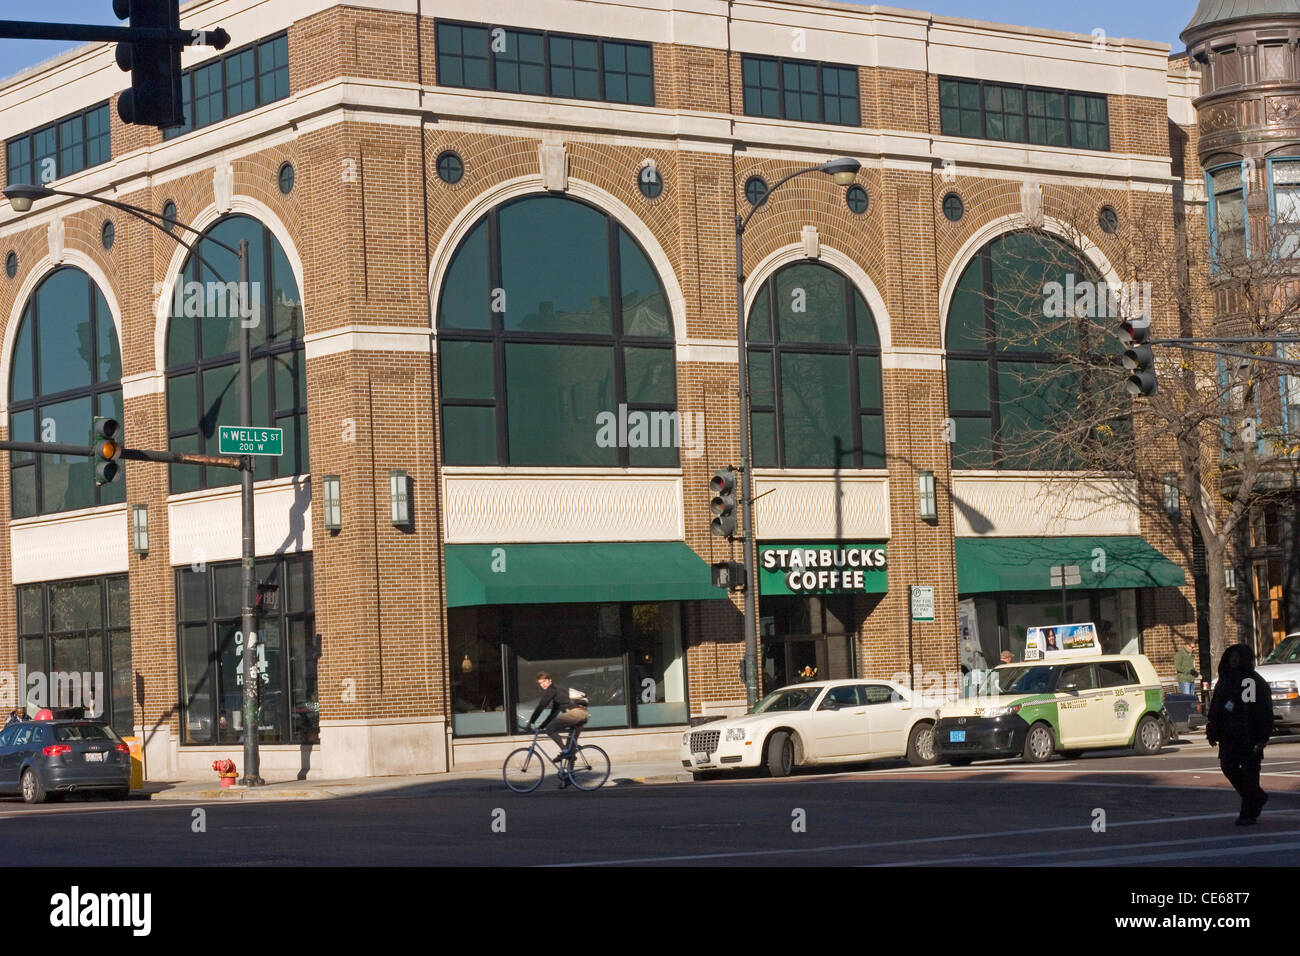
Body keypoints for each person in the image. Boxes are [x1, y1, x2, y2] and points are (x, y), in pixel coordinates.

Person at [1206, 644, 1274, 825]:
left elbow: (1259, 711)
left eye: (1237, 657)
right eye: (1231, 656)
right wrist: (1212, 728)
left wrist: (1262, 737)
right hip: (1228, 735)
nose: (1234, 660)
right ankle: (1256, 797)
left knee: (1250, 774)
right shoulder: (1224, 680)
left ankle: (1248, 813)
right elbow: (1216, 707)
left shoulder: (1252, 681)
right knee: (1228, 767)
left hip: (1249, 734)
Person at [525, 672, 589, 784]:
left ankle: (565, 751)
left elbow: (541, 706)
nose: (543, 685)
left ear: (550, 680)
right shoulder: (558, 693)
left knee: (550, 729)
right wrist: (541, 726)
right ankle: (569, 777)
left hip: (575, 713)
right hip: (583, 714)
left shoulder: (551, 690)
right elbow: (553, 714)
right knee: (570, 747)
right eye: (540, 683)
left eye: (544, 681)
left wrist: (531, 722)